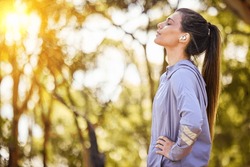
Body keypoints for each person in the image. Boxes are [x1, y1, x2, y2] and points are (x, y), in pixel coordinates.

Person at [147, 8, 221, 167]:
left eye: (169, 23)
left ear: (184, 37)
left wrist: (175, 151)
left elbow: (193, 122)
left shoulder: (182, 74)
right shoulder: (170, 76)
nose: (160, 25)